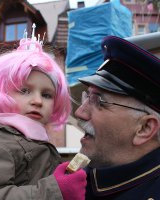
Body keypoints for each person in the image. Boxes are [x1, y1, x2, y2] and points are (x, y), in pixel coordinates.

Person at [0, 26, 86, 200]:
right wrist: (55, 190)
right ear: (0, 92)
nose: (38, 101)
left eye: (47, 94)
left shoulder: (34, 140)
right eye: (24, 91)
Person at [74, 35, 160, 199]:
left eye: (98, 101)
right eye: (87, 97)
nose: (80, 113)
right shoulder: (78, 178)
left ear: (144, 128)